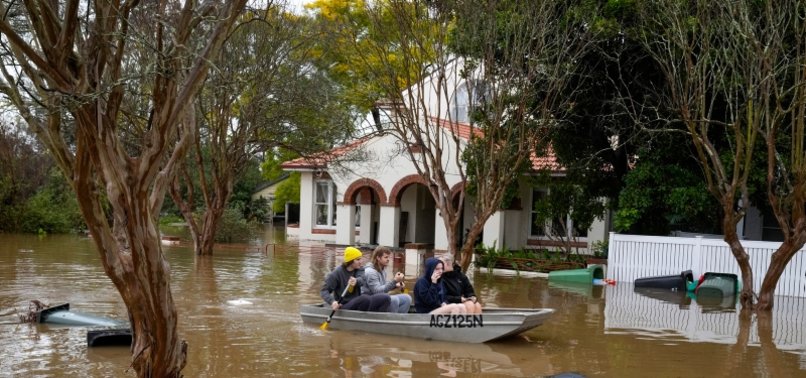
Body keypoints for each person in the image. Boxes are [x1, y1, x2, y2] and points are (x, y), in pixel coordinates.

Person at [321, 247, 391, 312]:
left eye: (361, 259)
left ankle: (377, 318)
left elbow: (362, 279)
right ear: (350, 261)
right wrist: (332, 302)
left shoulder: (360, 269)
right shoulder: (337, 273)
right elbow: (324, 291)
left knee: (385, 297)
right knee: (364, 298)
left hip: (358, 301)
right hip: (343, 305)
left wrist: (356, 281)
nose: (361, 262)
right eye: (358, 259)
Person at [362, 246, 411, 313]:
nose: (388, 259)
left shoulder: (382, 269)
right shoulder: (370, 272)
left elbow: (384, 287)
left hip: (380, 297)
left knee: (407, 298)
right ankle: (390, 321)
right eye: (386, 257)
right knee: (394, 300)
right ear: (378, 258)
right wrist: (394, 281)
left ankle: (399, 320)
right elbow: (377, 291)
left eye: (389, 257)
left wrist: (395, 285)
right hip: (369, 300)